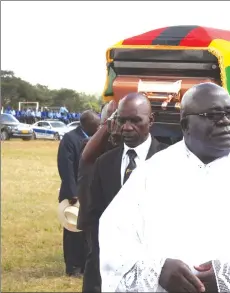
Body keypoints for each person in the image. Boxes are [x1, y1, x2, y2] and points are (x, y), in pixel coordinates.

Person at [98, 83, 230, 292]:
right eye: (213, 115)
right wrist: (158, 271)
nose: (226, 121)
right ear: (185, 124)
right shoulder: (151, 174)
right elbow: (115, 244)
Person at [86, 93, 168, 291]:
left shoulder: (169, 161)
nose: (127, 127)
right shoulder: (104, 163)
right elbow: (95, 220)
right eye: (122, 120)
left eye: (135, 120)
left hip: (157, 274)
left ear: (151, 120)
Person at [76, 101, 117, 292]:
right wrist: (109, 122)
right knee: (96, 261)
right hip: (97, 217)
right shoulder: (93, 145)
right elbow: (87, 156)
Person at [57, 110, 100, 276]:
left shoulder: (96, 139)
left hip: (89, 193)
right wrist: (72, 193)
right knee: (72, 231)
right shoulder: (70, 139)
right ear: (86, 124)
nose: (99, 128)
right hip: (73, 195)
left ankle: (83, 265)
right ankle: (73, 267)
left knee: (86, 232)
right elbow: (66, 167)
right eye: (96, 125)